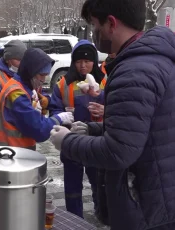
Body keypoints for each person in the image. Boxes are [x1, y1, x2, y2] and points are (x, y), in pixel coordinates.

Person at [50, 0, 175, 229]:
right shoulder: (155, 60)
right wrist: (92, 128)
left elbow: (118, 151)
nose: (94, 33)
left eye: (95, 26)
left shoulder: (135, 71)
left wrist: (67, 142)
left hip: (147, 207)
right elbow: (144, 128)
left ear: (111, 24)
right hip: (159, 196)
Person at [49, 40, 106, 219]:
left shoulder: (105, 81)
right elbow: (54, 108)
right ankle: (75, 218)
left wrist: (104, 111)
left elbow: (119, 107)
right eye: (79, 61)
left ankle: (101, 214)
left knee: (99, 182)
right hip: (71, 140)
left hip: (96, 140)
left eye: (87, 61)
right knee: (72, 186)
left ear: (94, 61)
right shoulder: (63, 83)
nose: (83, 66)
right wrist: (63, 119)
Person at [0, 48, 74, 149]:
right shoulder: (16, 93)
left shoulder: (24, 86)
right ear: (30, 71)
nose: (43, 80)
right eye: (41, 75)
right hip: (11, 152)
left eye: (46, 75)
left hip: (13, 150)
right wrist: (59, 118)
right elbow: (38, 130)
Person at [0, 40, 27, 146]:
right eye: (18, 60)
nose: (21, 63)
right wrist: (20, 106)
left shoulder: (23, 75)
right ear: (8, 60)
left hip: (18, 135)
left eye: (23, 60)